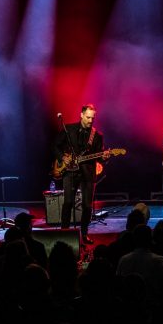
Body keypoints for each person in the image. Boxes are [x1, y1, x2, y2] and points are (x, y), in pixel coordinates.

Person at [53, 103, 109, 245]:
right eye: (88, 118)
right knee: (68, 203)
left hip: (88, 173)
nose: (90, 121)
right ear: (82, 115)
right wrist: (62, 158)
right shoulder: (69, 129)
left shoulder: (97, 135)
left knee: (87, 206)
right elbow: (55, 146)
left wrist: (105, 157)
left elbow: (99, 156)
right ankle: (65, 233)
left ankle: (84, 234)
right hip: (70, 172)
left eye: (93, 118)